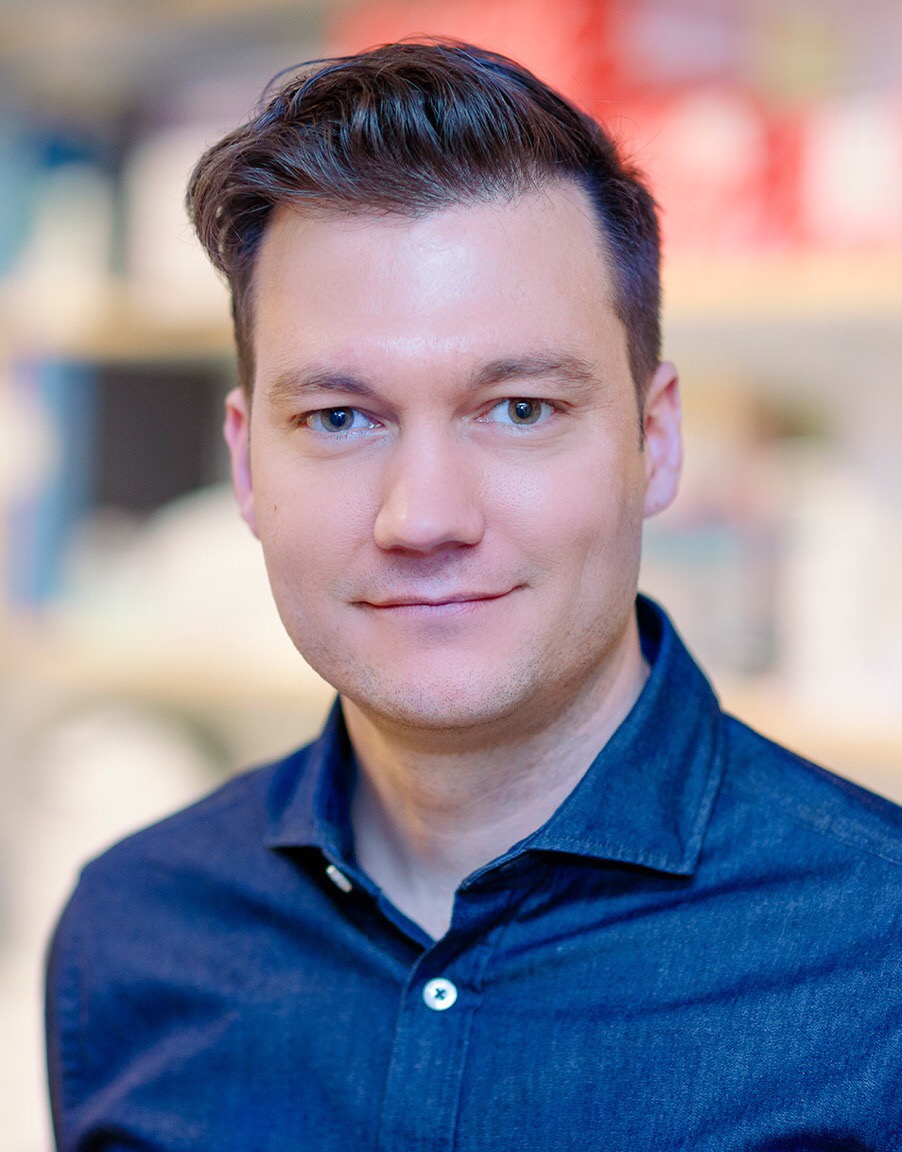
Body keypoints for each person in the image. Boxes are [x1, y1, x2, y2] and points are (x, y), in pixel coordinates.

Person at [46, 41, 902, 1151]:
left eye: (518, 409)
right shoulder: (132, 936)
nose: (424, 517)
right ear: (247, 466)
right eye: (340, 419)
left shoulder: (876, 956)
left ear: (653, 440)